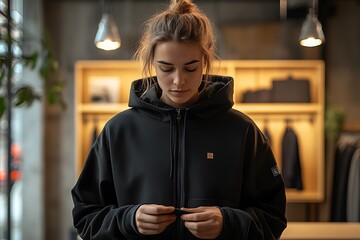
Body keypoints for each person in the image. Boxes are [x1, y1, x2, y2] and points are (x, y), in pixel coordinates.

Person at [71, 0, 287, 239]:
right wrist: (128, 219)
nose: (178, 80)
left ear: (205, 61)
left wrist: (228, 222)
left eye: (190, 68)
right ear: (152, 61)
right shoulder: (118, 131)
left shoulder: (242, 131)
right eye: (166, 68)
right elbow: (85, 216)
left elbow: (273, 217)